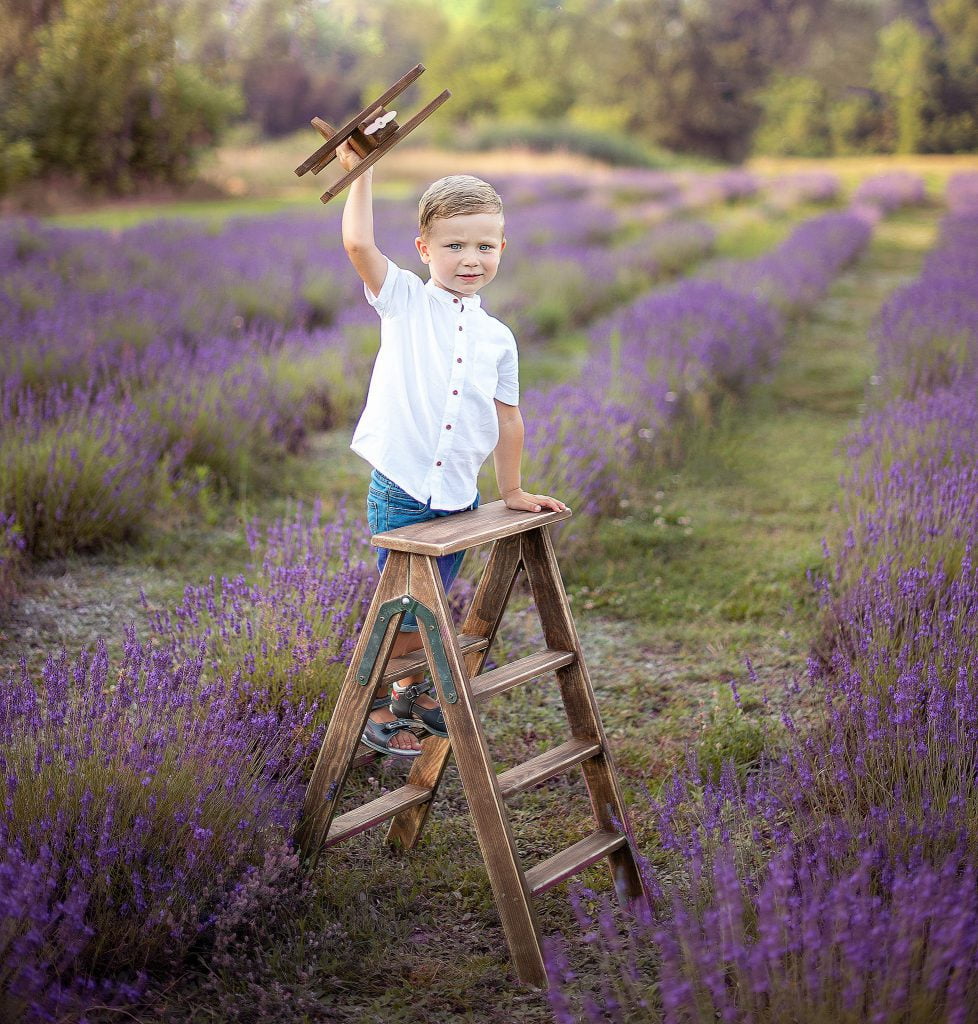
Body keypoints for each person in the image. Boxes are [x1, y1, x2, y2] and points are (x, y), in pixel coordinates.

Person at [336, 141, 566, 756]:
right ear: (423, 250)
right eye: (454, 246)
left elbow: (508, 416)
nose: (471, 259)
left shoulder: (497, 336)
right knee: (409, 616)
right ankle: (386, 709)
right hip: (404, 488)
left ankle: (412, 695)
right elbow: (359, 245)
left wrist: (511, 490)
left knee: (432, 613)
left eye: (484, 246)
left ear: (501, 250)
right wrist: (362, 170)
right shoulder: (405, 302)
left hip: (459, 498)